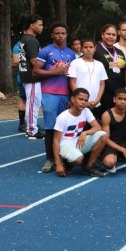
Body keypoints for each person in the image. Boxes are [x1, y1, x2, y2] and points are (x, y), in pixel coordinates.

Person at [35, 21, 76, 172]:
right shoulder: (45, 51)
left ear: (66, 35)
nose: (60, 36)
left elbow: (73, 76)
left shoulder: (71, 53)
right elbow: (35, 71)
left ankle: (63, 157)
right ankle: (50, 159)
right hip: (50, 93)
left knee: (64, 128)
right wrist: (55, 72)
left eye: (63, 33)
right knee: (51, 127)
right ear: (52, 35)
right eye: (57, 33)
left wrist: (72, 96)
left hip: (66, 95)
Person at [52, 87, 108, 178]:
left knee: (103, 135)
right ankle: (67, 163)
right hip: (65, 145)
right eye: (80, 99)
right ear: (72, 99)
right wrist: (58, 164)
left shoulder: (86, 111)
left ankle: (89, 166)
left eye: (85, 100)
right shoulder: (62, 118)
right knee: (78, 159)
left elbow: (98, 127)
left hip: (78, 141)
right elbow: (56, 141)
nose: (83, 102)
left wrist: (84, 133)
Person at [17, 14, 45, 139]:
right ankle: (32, 130)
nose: (42, 27)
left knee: (33, 102)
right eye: (40, 25)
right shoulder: (31, 40)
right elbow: (34, 61)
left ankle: (32, 128)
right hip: (32, 77)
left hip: (26, 75)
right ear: (32, 25)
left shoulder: (24, 38)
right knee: (33, 103)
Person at [68, 38, 108, 119]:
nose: (88, 49)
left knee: (95, 124)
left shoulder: (100, 64)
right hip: (79, 103)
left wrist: (98, 99)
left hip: (95, 103)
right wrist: (82, 99)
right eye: (85, 47)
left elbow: (102, 84)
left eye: (91, 47)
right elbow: (72, 83)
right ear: (81, 49)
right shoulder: (75, 63)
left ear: (95, 48)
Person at [95, 24, 126, 119]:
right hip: (103, 92)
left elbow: (123, 71)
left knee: (116, 119)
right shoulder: (96, 49)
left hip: (118, 92)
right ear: (102, 35)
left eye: (113, 35)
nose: (111, 37)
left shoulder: (119, 52)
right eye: (108, 34)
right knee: (103, 119)